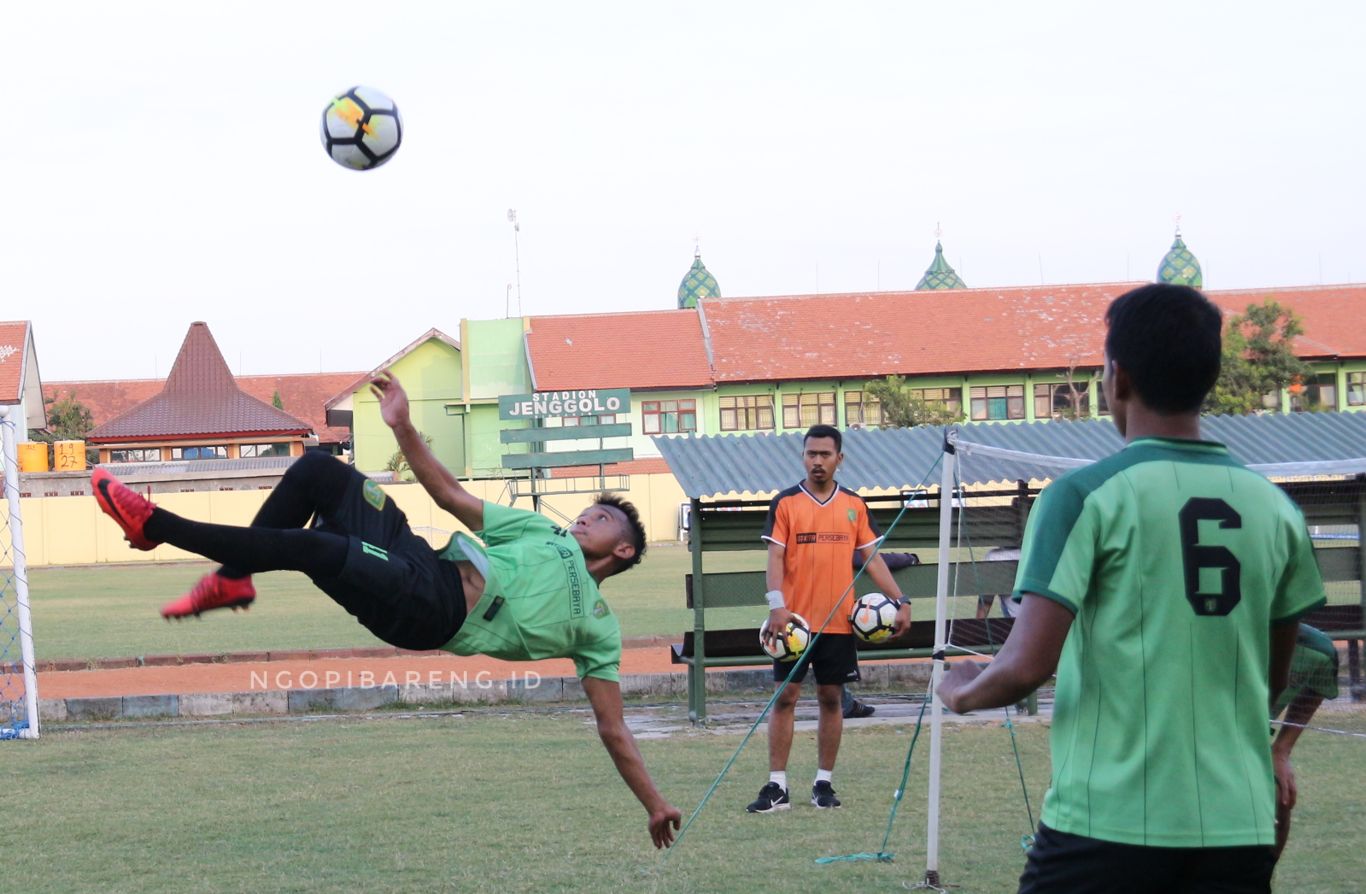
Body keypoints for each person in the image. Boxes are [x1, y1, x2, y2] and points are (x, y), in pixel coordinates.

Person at [91, 371, 682, 849]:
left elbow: (614, 728)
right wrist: (402, 426)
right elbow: (449, 494)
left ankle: (156, 525)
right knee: (320, 469)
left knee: (318, 548)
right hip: (417, 558)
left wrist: (655, 804)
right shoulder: (538, 529)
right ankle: (233, 580)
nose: (585, 518)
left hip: (431, 610)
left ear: (623, 549)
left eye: (602, 519)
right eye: (588, 512)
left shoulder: (601, 631)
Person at [937, 283, 1325, 893]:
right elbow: (1273, 680)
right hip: (1239, 825)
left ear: (1115, 378)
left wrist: (959, 691)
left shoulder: (1083, 496)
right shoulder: (1276, 510)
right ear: (1210, 376)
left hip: (1109, 823)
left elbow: (1026, 666)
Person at [746, 424, 910, 814]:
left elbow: (872, 558)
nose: (817, 461)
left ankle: (823, 783)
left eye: (824, 454)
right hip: (794, 625)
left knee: (831, 697)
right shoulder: (785, 503)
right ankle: (777, 786)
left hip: (840, 622)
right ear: (803, 457)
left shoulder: (854, 504)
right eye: (810, 454)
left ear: (840, 458)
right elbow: (773, 558)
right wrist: (776, 605)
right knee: (785, 697)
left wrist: (900, 599)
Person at [1271, 624, 1340, 859]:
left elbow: (1319, 680)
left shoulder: (1317, 651)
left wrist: (1282, 749)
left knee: (1280, 799)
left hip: (1250, 743)